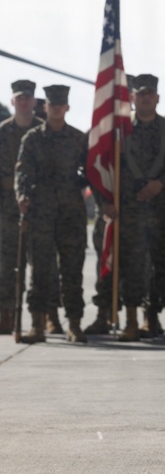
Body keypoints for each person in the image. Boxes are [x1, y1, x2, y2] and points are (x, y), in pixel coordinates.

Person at [98, 75, 165, 341]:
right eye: (141, 94)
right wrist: (108, 200)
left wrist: (161, 184)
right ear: (133, 98)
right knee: (132, 268)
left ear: (158, 98)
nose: (146, 98)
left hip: (164, 209)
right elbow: (109, 166)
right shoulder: (120, 131)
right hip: (131, 211)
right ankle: (131, 322)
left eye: (150, 94)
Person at [14, 84, 89, 342]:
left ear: (67, 107)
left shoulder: (79, 139)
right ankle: (37, 323)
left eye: (60, 104)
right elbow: (22, 171)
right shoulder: (33, 138)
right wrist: (21, 195)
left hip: (71, 214)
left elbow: (92, 173)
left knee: (72, 271)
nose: (56, 108)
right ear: (44, 107)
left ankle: (75, 324)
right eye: (52, 104)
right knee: (41, 271)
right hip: (41, 212)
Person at [0, 80, 41, 334]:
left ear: (34, 102)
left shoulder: (43, 131)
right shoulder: (2, 132)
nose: (23, 102)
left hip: (40, 208)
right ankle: (6, 314)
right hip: (6, 209)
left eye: (27, 98)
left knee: (42, 264)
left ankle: (44, 315)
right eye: (19, 98)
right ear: (13, 101)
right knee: (6, 264)